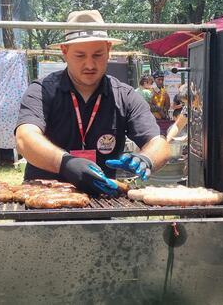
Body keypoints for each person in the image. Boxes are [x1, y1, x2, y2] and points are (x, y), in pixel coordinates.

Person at [15, 10, 171, 196]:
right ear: (64, 51)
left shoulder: (125, 96)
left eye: (97, 55)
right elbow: (25, 138)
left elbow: (159, 143)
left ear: (108, 50)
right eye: (80, 56)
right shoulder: (41, 90)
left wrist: (147, 159)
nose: (89, 64)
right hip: (42, 201)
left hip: (102, 201)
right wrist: (65, 163)